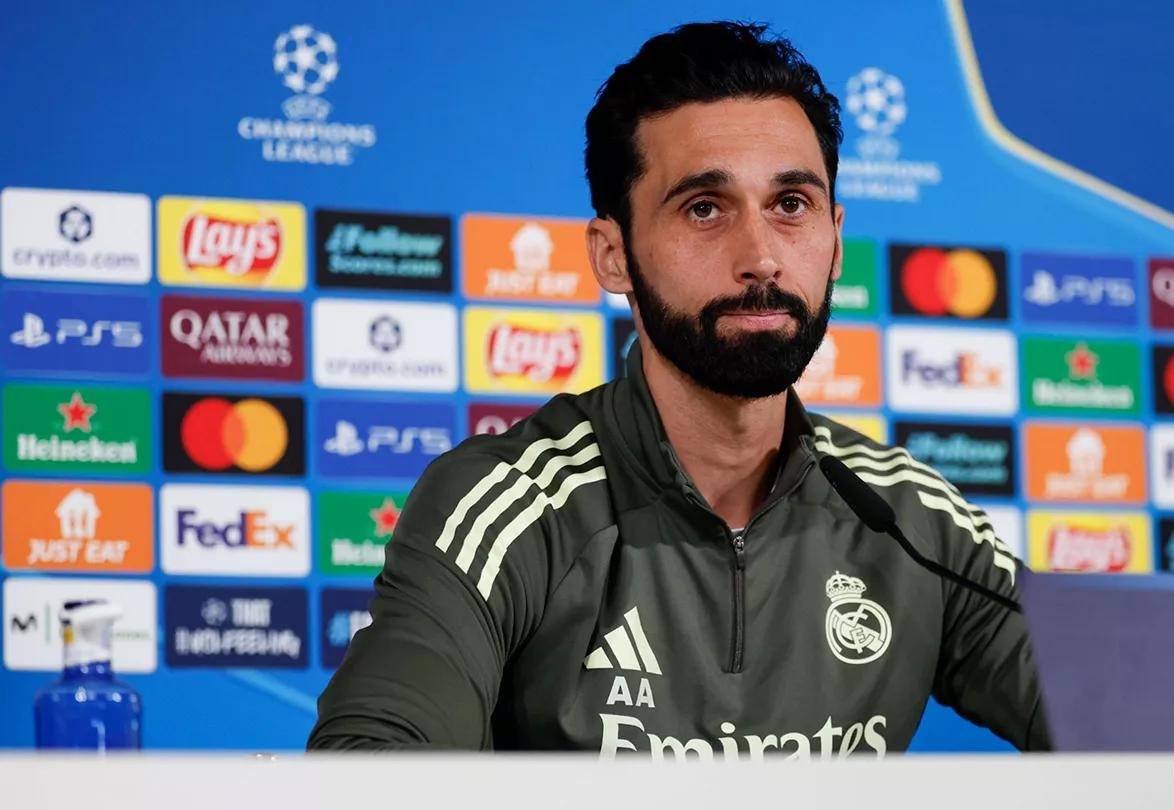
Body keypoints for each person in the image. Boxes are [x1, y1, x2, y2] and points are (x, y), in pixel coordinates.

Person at [309, 20, 1050, 757]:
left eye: (791, 204)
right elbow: (367, 769)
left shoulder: (910, 518)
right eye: (705, 208)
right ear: (613, 255)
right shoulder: (512, 507)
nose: (761, 256)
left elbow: (1112, 709)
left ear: (834, 243)